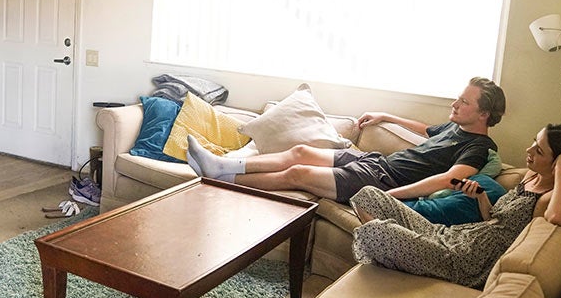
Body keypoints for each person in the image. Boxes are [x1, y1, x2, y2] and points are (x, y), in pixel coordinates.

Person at [186, 77, 506, 204]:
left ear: (484, 115)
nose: (455, 104)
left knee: (297, 174)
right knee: (299, 151)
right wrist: (387, 116)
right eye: (458, 98)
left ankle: (222, 179)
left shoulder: (478, 147)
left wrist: (393, 196)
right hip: (375, 163)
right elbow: (425, 129)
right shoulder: (456, 128)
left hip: (381, 181)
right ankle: (223, 165)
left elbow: (451, 179)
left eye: (464, 103)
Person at [350, 124, 561, 289]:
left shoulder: (556, 195)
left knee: (377, 232)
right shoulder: (531, 176)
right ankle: (396, 256)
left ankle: (395, 256)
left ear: (560, 162)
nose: (528, 151)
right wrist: (480, 198)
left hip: (465, 261)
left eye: (539, 151)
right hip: (452, 236)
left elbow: (559, 217)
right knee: (369, 195)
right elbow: (495, 220)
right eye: (533, 143)